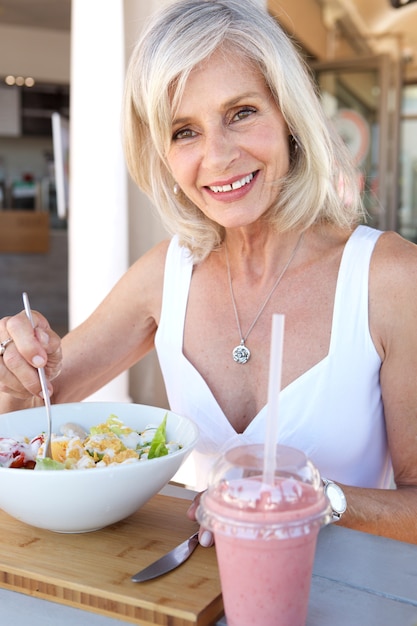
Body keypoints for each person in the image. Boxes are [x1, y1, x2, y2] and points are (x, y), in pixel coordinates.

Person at [1, 0, 417, 546]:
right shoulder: (165, 274)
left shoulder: (390, 278)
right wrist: (16, 370)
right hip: (197, 592)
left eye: (242, 112)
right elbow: (34, 408)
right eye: (184, 132)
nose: (217, 156)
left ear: (290, 116)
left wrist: (318, 497)